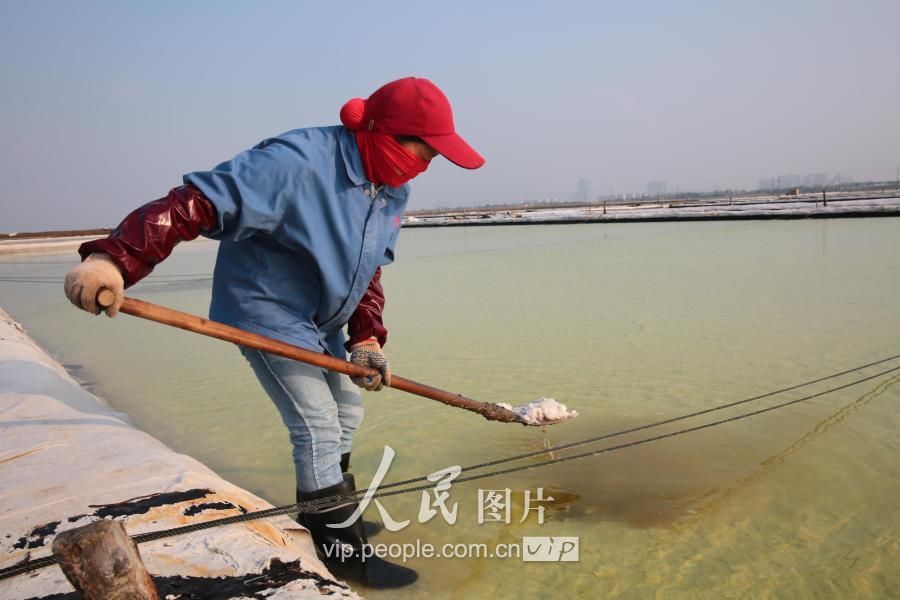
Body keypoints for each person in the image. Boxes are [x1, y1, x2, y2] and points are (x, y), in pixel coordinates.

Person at [63, 77, 484, 588]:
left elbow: (369, 270)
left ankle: (328, 510)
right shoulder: (298, 159)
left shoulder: (392, 189)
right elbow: (195, 203)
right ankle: (339, 550)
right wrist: (115, 260)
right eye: (425, 150)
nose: (428, 163)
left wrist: (367, 338)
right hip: (265, 307)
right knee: (317, 424)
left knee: (347, 409)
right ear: (385, 134)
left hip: (320, 317)